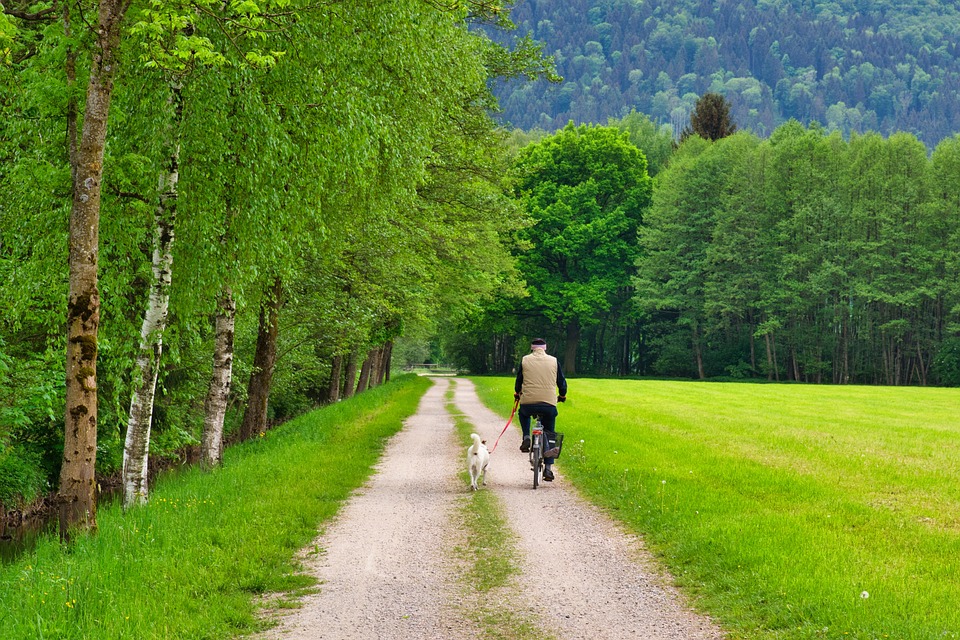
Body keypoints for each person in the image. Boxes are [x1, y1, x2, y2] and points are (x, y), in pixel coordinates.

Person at [514, 338, 567, 481]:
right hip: (549, 404)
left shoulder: (525, 360)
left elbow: (519, 381)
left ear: (532, 348)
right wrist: (562, 395)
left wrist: (517, 392)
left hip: (528, 403)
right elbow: (561, 382)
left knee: (523, 413)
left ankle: (526, 437)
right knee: (549, 432)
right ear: (545, 348)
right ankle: (548, 469)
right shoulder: (554, 361)